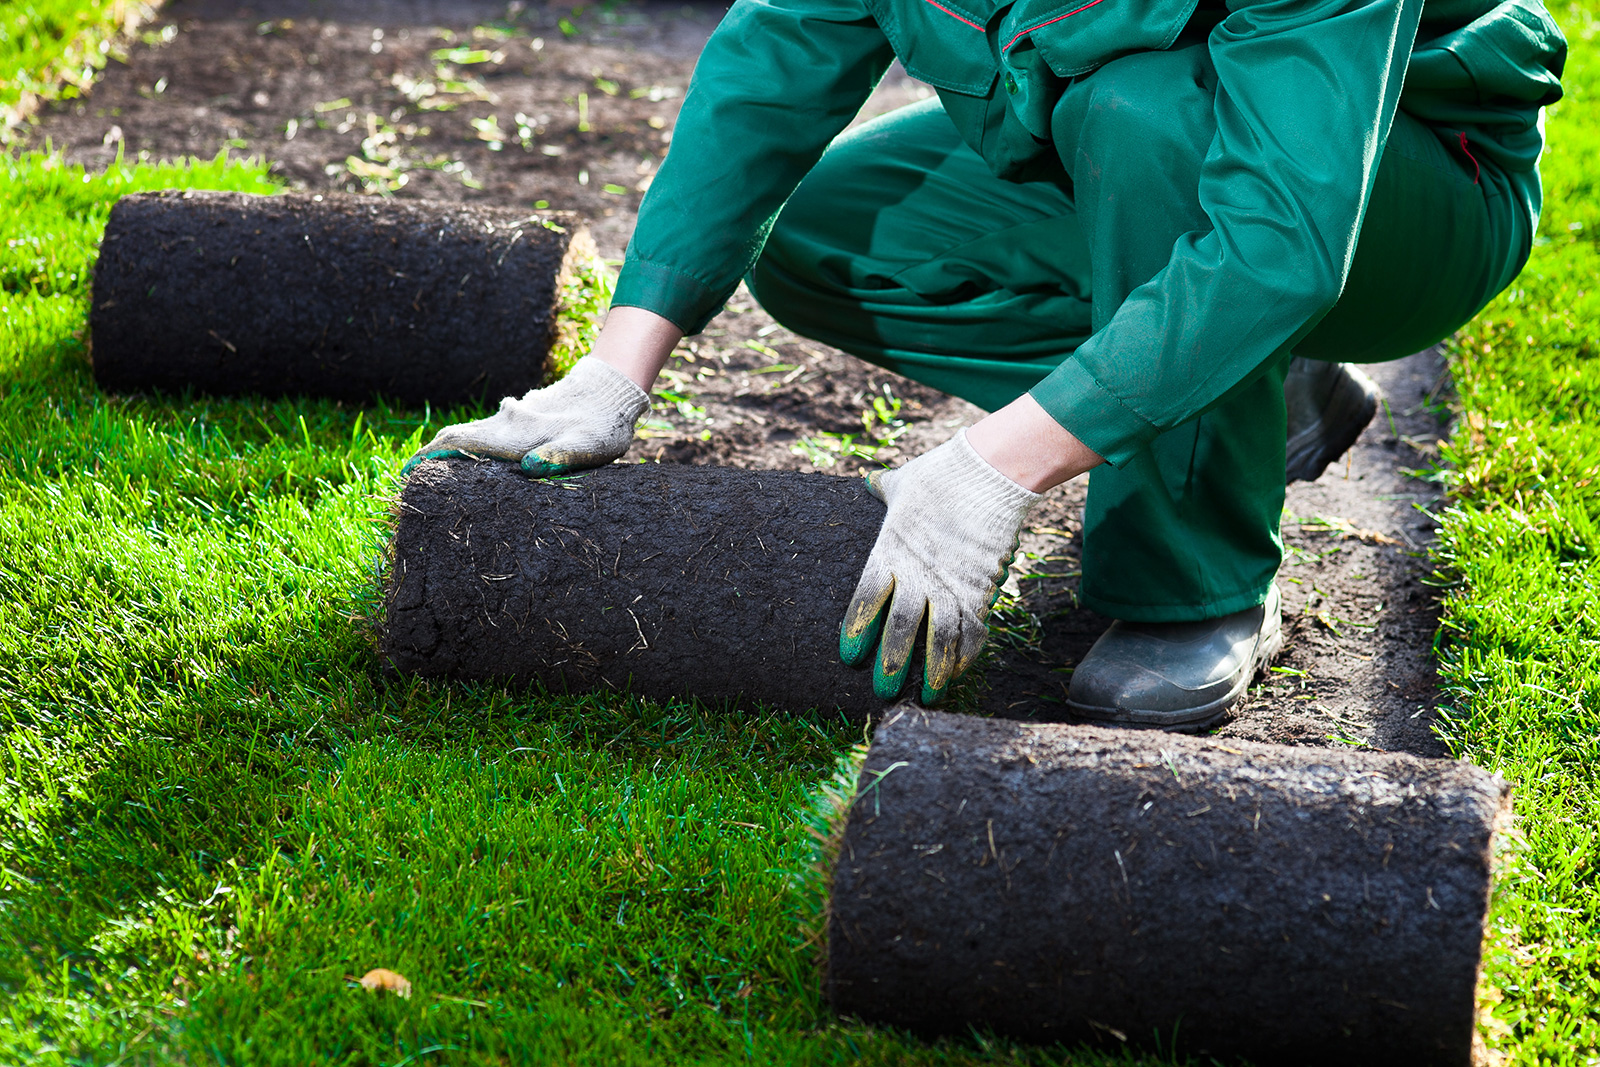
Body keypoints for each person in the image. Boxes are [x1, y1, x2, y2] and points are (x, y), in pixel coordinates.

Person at [409, 0, 1564, 729]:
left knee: (1148, 108)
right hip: (1134, 161)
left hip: (1398, 191)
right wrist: (616, 370)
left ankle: (1191, 588)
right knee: (825, 236)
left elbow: (1278, 242)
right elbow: (770, 64)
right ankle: (1237, 384)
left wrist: (990, 468)